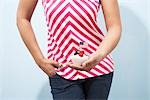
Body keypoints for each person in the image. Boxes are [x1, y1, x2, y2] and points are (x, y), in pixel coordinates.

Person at [17, 0, 122, 100]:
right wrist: (39, 60)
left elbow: (115, 27)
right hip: (61, 68)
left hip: (99, 67)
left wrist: (99, 56)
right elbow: (22, 18)